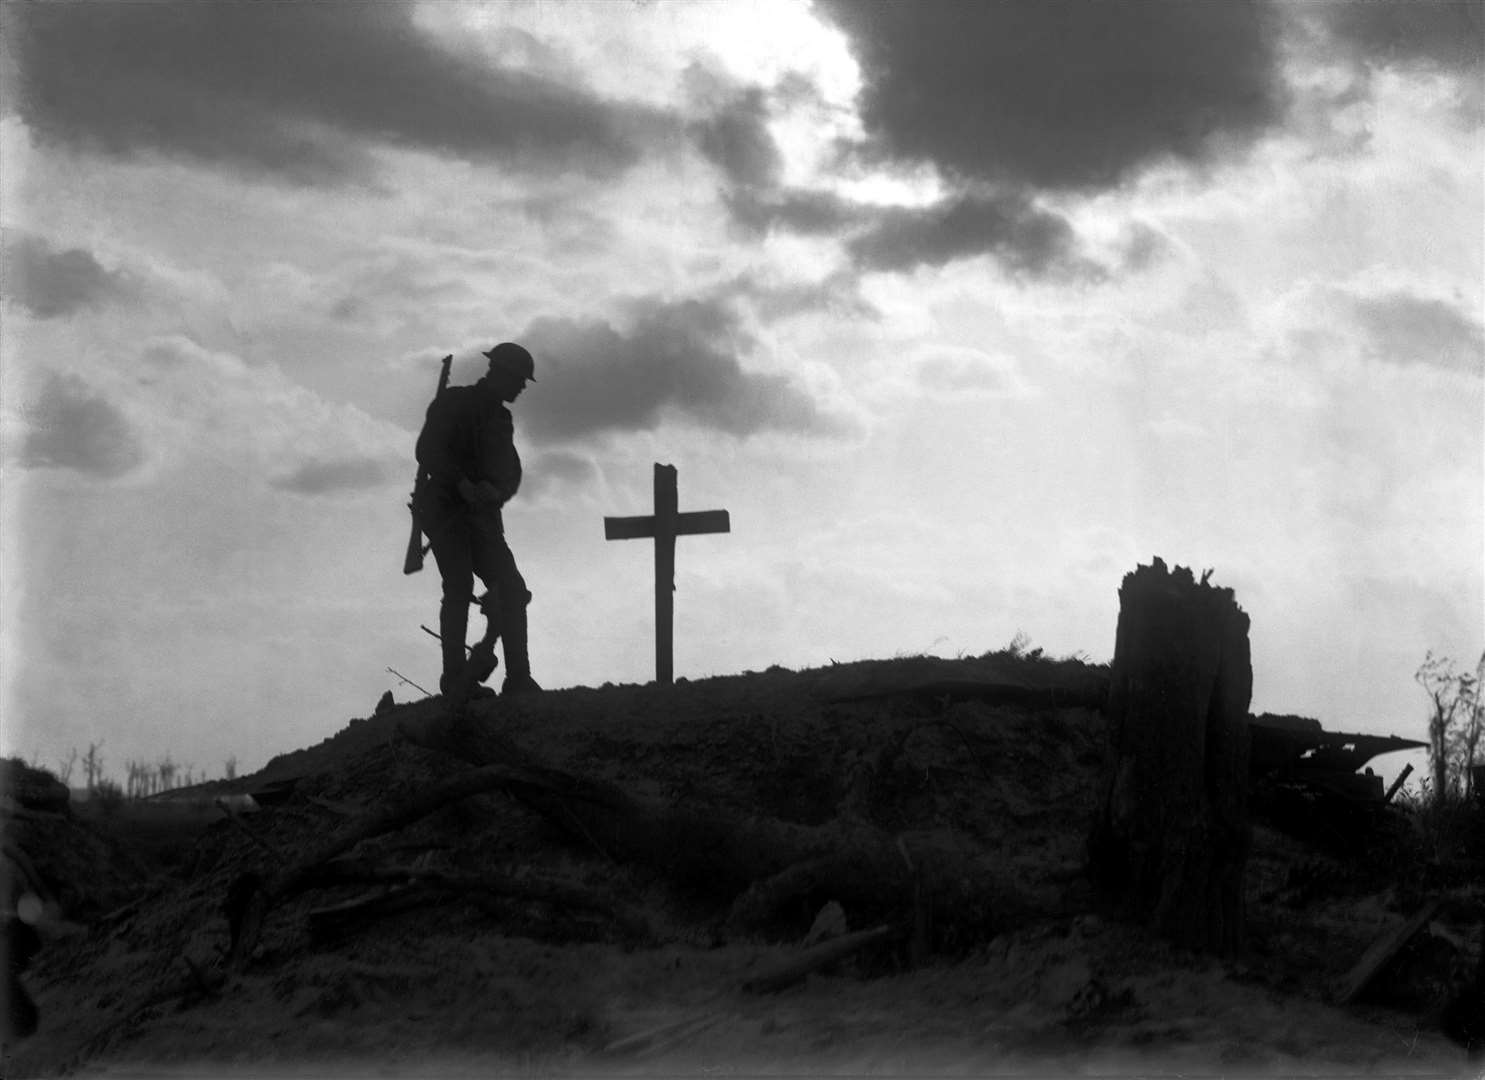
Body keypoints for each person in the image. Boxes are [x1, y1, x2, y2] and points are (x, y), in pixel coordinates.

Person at [414, 342, 541, 699]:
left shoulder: (501, 420)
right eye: (518, 379)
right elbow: (427, 450)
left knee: (512, 589)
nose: (521, 387)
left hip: (482, 517)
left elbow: (510, 472)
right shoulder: (455, 402)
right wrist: (460, 483)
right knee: (458, 585)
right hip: (445, 512)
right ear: (500, 373)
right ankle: (455, 678)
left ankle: (519, 678)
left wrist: (494, 491)